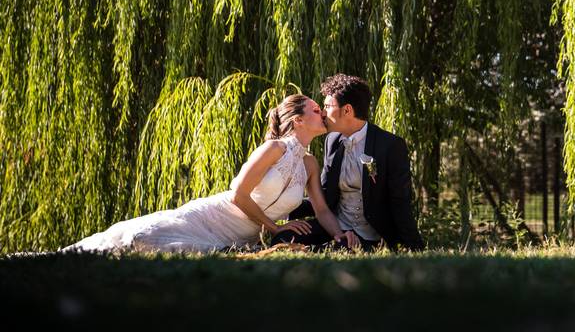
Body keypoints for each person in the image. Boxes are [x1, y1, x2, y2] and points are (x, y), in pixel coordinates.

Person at [61, 95, 348, 253]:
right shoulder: (273, 149)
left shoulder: (309, 164)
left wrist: (341, 235)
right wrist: (276, 230)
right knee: (142, 238)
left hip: (247, 234)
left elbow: (321, 210)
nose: (322, 112)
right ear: (298, 120)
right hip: (215, 216)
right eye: (315, 109)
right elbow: (238, 195)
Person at [272, 74, 424, 251]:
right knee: (283, 238)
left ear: (347, 110)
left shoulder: (389, 145)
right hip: (335, 225)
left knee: (337, 249)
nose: (322, 112)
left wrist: (414, 246)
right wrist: (285, 207)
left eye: (328, 106)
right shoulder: (332, 141)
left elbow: (400, 201)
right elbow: (326, 194)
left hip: (371, 234)